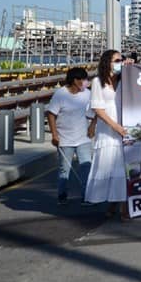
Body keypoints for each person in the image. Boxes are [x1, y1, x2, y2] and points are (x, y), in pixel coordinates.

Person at [84, 50, 131, 219]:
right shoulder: (98, 82)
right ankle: (114, 203)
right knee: (111, 166)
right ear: (108, 62)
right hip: (108, 128)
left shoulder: (125, 79)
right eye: (117, 60)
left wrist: (131, 68)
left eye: (122, 59)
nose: (120, 62)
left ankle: (123, 204)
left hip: (126, 125)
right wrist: (115, 126)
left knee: (123, 167)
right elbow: (98, 108)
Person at [46, 67, 96, 205]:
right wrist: (54, 134)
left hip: (83, 137)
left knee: (86, 165)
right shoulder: (60, 94)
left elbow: (97, 110)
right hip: (65, 138)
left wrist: (92, 126)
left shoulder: (88, 94)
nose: (86, 83)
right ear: (75, 80)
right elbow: (51, 114)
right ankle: (62, 195)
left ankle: (86, 195)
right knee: (64, 169)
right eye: (84, 80)